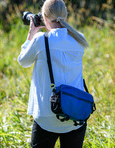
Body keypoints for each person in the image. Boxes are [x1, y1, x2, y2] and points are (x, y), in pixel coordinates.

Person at [18, 0, 89, 147]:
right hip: (75, 115)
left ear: (44, 16)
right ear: (65, 15)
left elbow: (23, 61)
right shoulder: (79, 39)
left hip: (46, 116)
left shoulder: (40, 40)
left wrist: (31, 33)